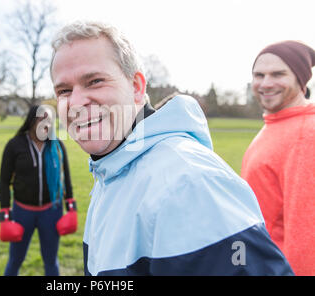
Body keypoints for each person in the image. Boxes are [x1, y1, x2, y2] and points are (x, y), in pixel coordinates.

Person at [49, 20, 293, 276]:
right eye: (64, 90)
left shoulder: (189, 182)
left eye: (95, 81)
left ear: (136, 87)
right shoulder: (112, 171)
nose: (75, 102)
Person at [241, 40, 315, 276]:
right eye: (259, 75)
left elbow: (306, 237)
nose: (266, 83)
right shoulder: (276, 124)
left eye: (278, 74)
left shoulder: (306, 134)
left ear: (301, 80)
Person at [0, 104, 77, 276]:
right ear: (32, 120)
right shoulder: (15, 145)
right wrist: (4, 214)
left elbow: (67, 179)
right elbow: (4, 182)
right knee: (15, 259)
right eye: (41, 119)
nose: (45, 124)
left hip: (51, 211)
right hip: (22, 212)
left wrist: (71, 208)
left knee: (51, 260)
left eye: (48, 119)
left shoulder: (57, 146)